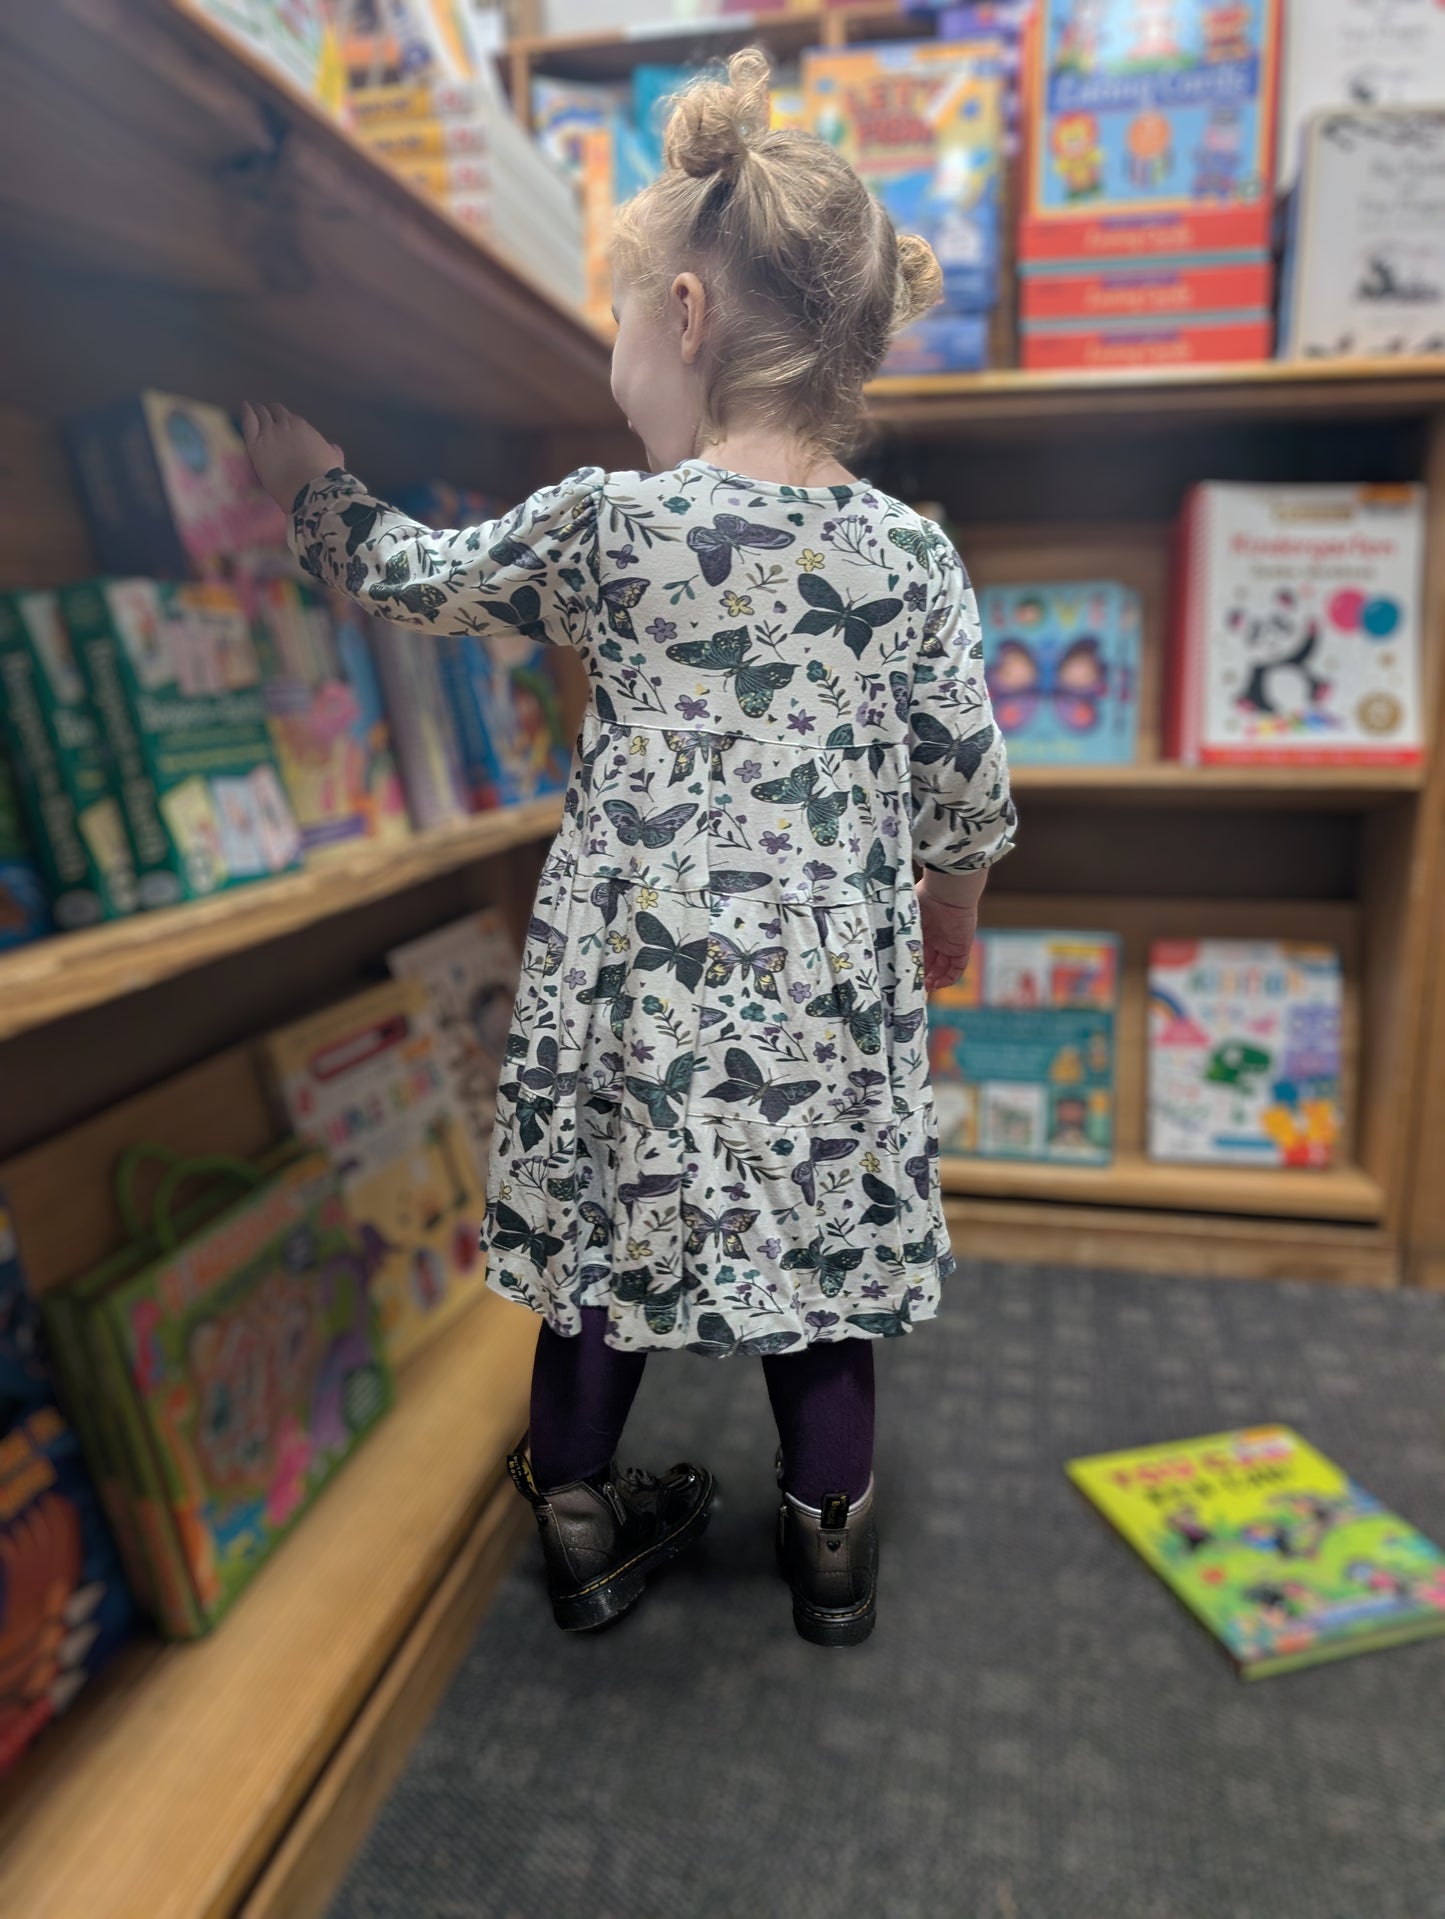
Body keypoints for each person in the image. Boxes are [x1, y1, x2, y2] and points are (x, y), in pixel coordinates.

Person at [243, 48, 1015, 1650]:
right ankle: (829, 1554)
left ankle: (584, 1528)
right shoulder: (907, 556)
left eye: (615, 318)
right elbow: (961, 780)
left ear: (679, 313)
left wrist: (310, 487)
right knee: (824, 1286)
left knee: (601, 1255)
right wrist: (948, 910)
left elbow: (413, 576)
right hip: (818, 1004)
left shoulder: (607, 521)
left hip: (633, 991)